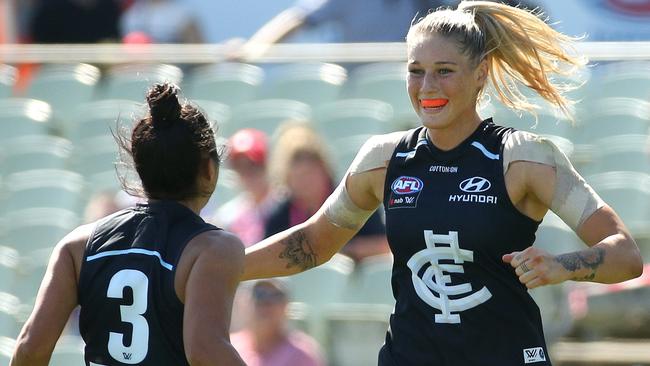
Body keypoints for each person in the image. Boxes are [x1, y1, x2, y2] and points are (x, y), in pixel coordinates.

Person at [242, 1, 644, 365]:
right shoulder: (384, 160)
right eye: (415, 72)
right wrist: (225, 267)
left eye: (444, 72)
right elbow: (312, 244)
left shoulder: (524, 158)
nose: (427, 87)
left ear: (480, 74)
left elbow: (625, 255)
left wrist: (562, 266)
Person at [11, 83, 246, 366]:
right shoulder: (214, 248)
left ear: (140, 169)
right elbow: (206, 351)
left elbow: (29, 348)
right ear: (209, 170)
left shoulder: (77, 246)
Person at [264, 122, 389, 263]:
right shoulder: (279, 216)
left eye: (310, 174)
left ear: (325, 169)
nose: (306, 183)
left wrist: (339, 253)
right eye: (298, 177)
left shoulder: (353, 199)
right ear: (287, 179)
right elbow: (269, 260)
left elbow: (383, 246)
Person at [230, 279, 325, 366]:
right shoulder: (230, 346)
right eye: (259, 294)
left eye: (277, 295)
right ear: (242, 302)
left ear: (286, 305)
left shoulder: (303, 354)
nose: (267, 302)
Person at [211, 128, 280, 247]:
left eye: (253, 166)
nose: (247, 174)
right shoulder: (228, 215)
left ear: (267, 165)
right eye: (239, 167)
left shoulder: (287, 205)